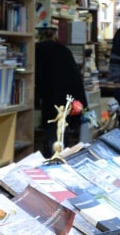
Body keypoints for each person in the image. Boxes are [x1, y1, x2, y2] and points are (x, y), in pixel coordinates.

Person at [34, 26, 87, 155]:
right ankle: (63, 158)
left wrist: (36, 99)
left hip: (51, 96)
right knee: (62, 131)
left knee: (52, 131)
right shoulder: (64, 50)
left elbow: (38, 77)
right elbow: (75, 76)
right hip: (69, 97)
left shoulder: (37, 50)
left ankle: (52, 159)